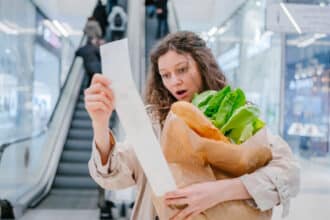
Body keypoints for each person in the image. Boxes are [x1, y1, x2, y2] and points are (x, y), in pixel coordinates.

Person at [86, 31, 300, 220]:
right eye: (166, 75)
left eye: (182, 69)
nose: (174, 81)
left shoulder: (234, 113)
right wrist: (100, 124)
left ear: (202, 65)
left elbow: (288, 173)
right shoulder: (154, 124)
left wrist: (222, 190)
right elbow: (114, 174)